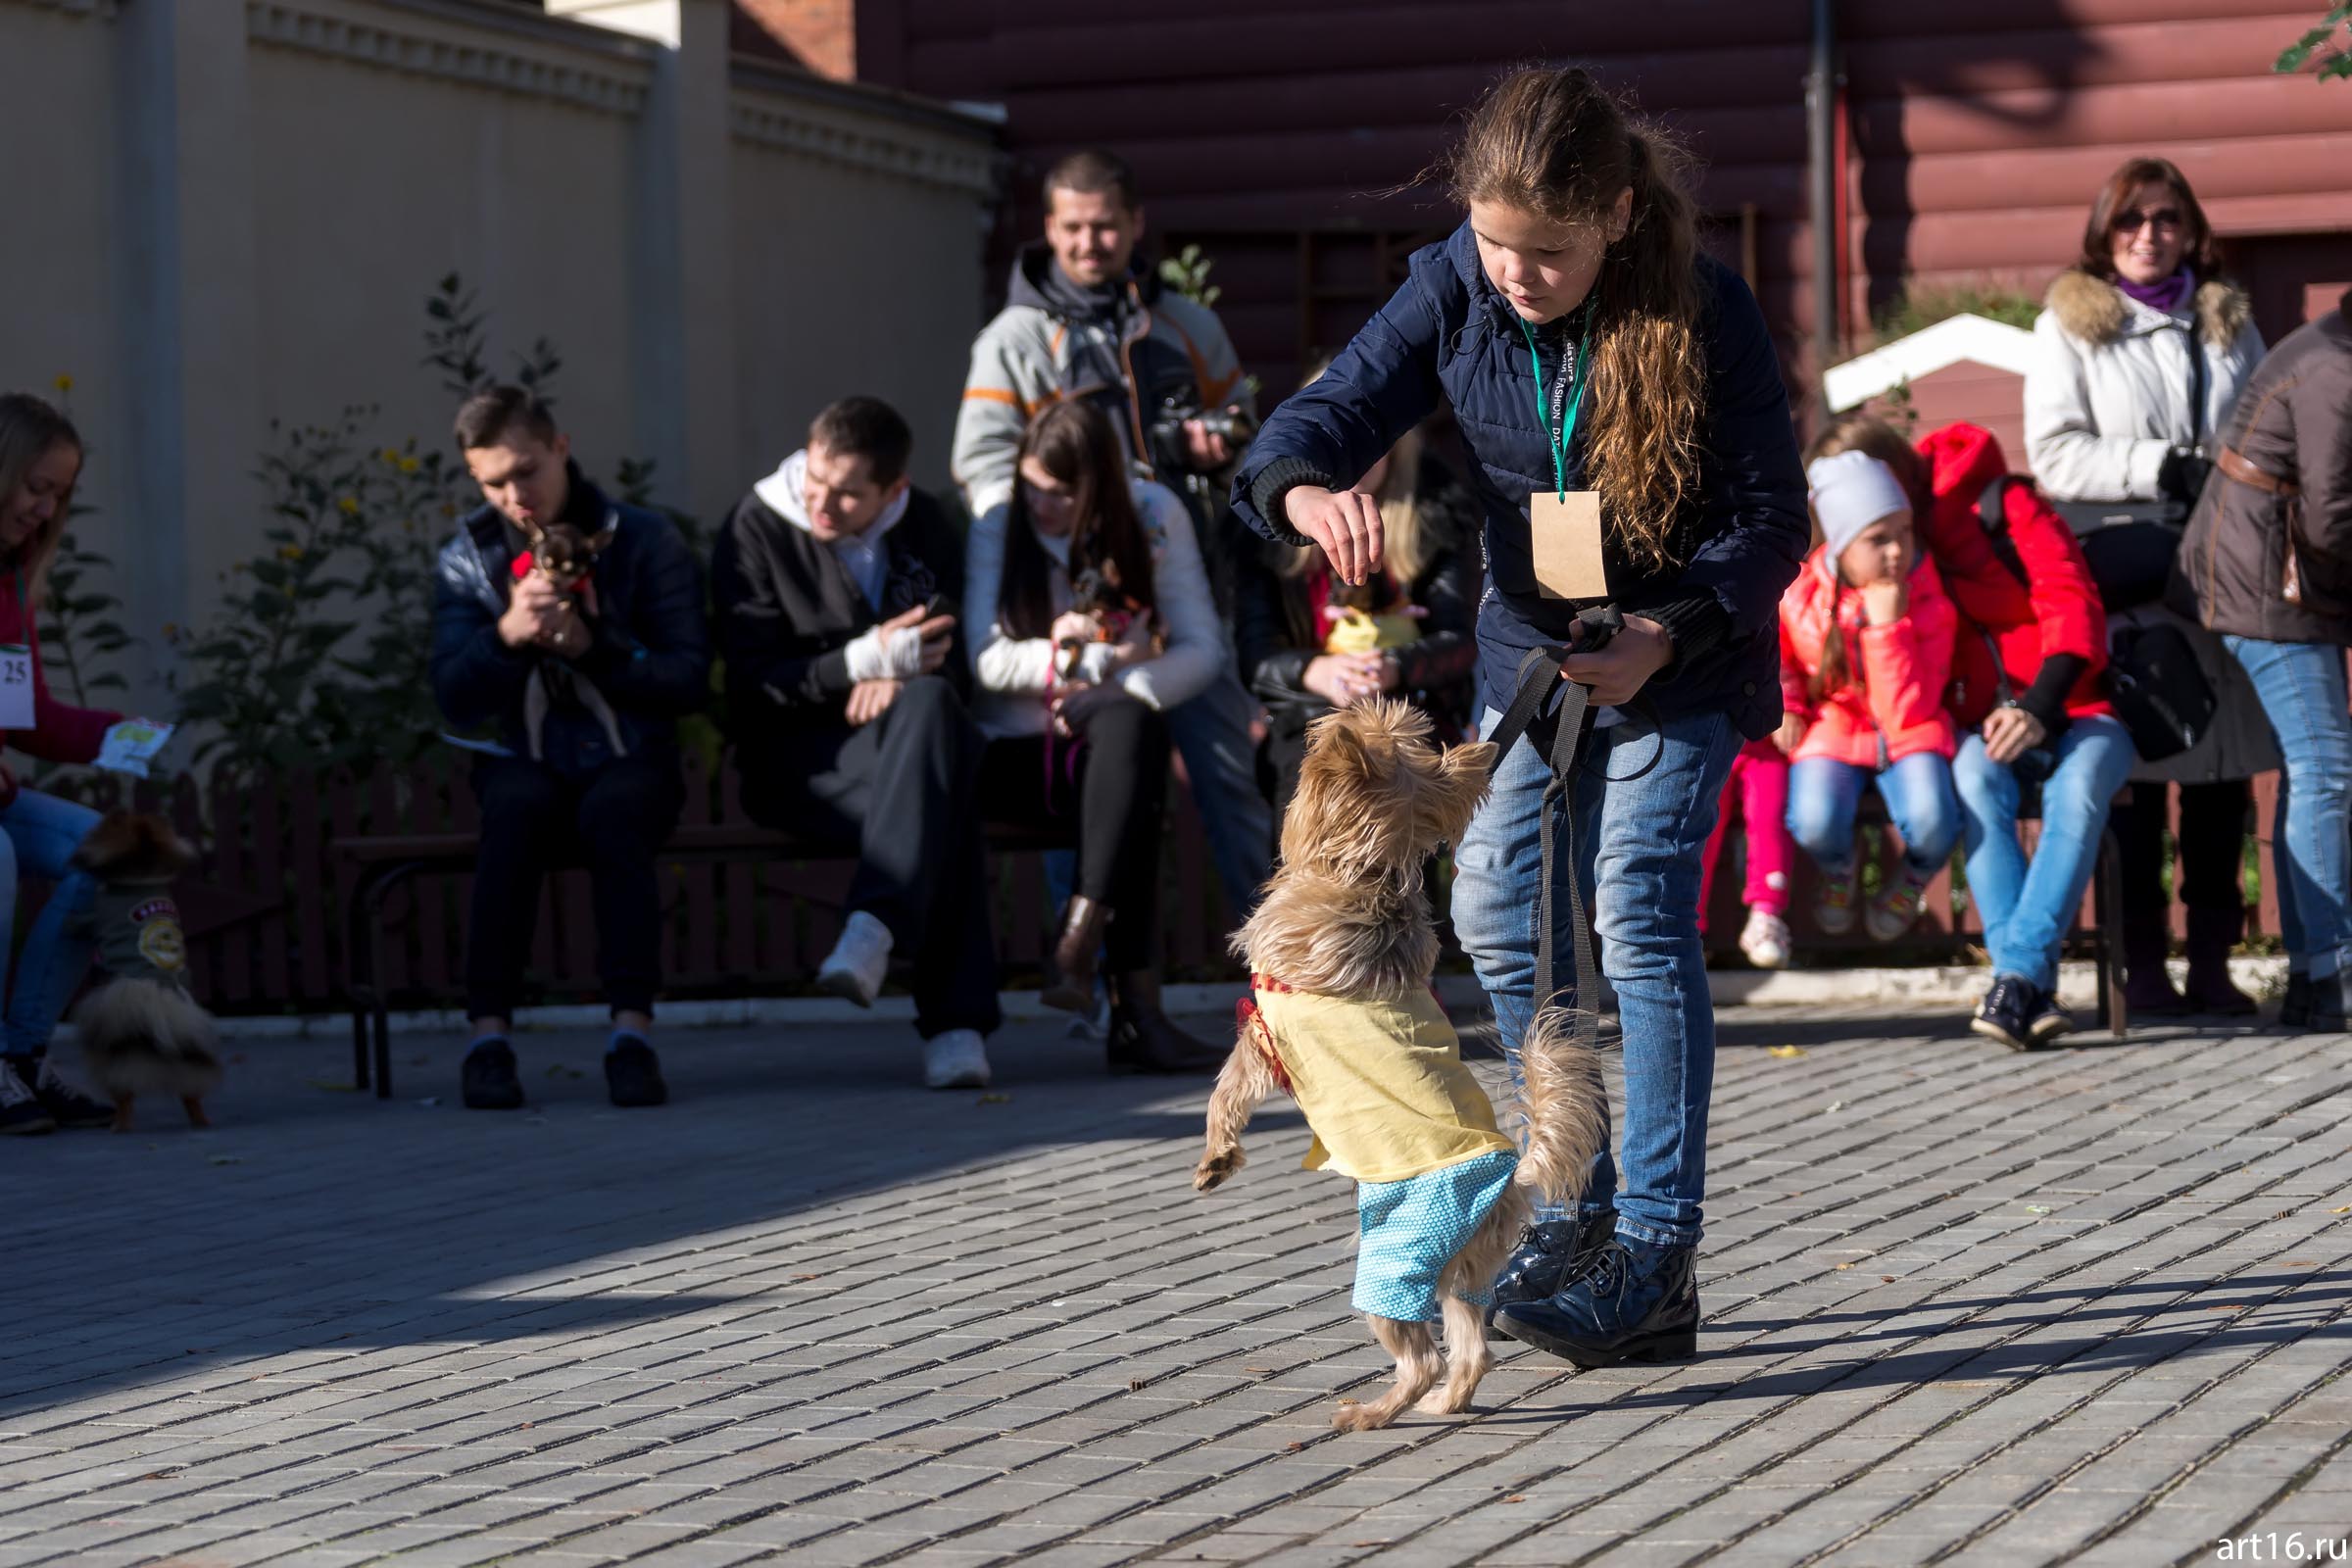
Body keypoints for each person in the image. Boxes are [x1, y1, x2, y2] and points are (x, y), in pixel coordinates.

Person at [1232, 68, 1809, 1367]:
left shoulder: (1703, 308)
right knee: (1500, 902)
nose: (1515, 274)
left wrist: (1672, 630)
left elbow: (1775, 519)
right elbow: (1323, 413)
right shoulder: (1453, 280)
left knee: (1639, 904)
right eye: (1496, 243)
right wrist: (1306, 491)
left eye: (1547, 251)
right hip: (1538, 664)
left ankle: (1656, 1254)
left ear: (1614, 215)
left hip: (1679, 659)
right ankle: (1576, 1207)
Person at [955, 148, 1272, 920]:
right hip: (1080, 602)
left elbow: (1247, 430)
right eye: (1072, 228)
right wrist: (1065, 518)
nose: (1088, 243)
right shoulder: (1014, 339)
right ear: (1049, 229)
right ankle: (1097, 989)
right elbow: (981, 466)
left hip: (1180, 581)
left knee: (1232, 780)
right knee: (1084, 790)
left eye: (1104, 227)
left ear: (1136, 225)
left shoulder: (1187, 323)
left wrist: (1219, 440)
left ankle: (1283, 976)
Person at [2025, 156, 2273, 1016]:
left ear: (2189, 228)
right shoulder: (2071, 324)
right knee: (2137, 769)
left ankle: (2211, 962)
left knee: (2219, 774)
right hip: (2127, 576)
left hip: (2220, 568)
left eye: (2166, 219)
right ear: (2105, 229)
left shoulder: (2227, 322)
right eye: (2131, 220)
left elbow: (2269, 434)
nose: (2149, 235)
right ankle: (2142, 970)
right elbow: (2055, 452)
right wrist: (2161, 463)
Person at [430, 386, 711, 1111]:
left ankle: (631, 1037)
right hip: (521, 758)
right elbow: (454, 694)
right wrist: (506, 639)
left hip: (631, 754)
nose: (514, 495)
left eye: (526, 471)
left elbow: (686, 678)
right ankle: (487, 1041)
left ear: (561, 448)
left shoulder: (643, 539)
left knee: (618, 812)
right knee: (514, 812)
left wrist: (596, 648)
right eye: (493, 482)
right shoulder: (467, 559)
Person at [1813, 416, 2132, 1047]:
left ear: (1892, 471)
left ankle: (2015, 976)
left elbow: (2072, 600)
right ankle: (2028, 991)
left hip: (2077, 708)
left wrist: (2039, 707)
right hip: (1980, 725)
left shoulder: (1998, 502)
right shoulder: (1886, 550)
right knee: (1973, 780)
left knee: (2079, 790)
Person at [711, 397, 999, 1090]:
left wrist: (900, 674)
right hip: (796, 762)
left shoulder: (925, 523)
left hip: (902, 742)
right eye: (815, 480)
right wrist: (860, 662)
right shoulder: (755, 526)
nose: (823, 502)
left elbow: (955, 655)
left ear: (893, 491)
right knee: (943, 800)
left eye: (847, 493)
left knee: (932, 708)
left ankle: (873, 924)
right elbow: (751, 683)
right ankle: (954, 1027)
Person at [966, 400, 1230, 1074]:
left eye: (1061, 492)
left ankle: (1079, 943)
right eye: (1032, 486)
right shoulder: (998, 518)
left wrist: (1121, 690)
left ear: (1100, 486)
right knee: (1134, 768)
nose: (1042, 505)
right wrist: (1101, 662)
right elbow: (987, 660)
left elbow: (1203, 649)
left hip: (1101, 751)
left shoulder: (1150, 516)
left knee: (1132, 730)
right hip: (1013, 757)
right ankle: (1135, 1012)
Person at [2175, 291, 2352, 1027]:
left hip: (2274, 577)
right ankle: (2333, 971)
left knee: (2310, 769)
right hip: (2263, 584)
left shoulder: (2333, 351)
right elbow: (2332, 515)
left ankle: (2315, 974)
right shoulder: (2335, 371)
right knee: (2324, 765)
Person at [1233, 416, 1480, 825]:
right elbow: (1256, 655)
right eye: (1332, 445)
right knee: (1307, 795)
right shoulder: (1265, 538)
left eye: (1368, 444)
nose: (1352, 461)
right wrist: (1317, 670)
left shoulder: (1433, 514)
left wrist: (1394, 667)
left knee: (1400, 787)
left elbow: (1459, 641)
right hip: (1308, 715)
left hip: (1409, 711)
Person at [0, 394, 129, 1135]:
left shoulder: (14, 582)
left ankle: (21, 1060)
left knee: (109, 857)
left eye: (59, 494)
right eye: (35, 487)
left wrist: (123, 735)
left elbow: (28, 718)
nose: (44, 510)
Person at [1778, 453, 1963, 943]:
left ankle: (1914, 876)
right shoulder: (1802, 595)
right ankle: (1839, 868)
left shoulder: (1924, 597)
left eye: (1903, 532)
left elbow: (1905, 711)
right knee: (1812, 819)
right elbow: (1780, 662)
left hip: (1912, 726)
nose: (1897, 551)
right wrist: (1788, 706)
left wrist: (1887, 628)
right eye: (1878, 539)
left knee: (1934, 822)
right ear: (1840, 542)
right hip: (1836, 725)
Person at [1695, 739, 1794, 968]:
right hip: (1706, 737)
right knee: (1699, 828)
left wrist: (1789, 708)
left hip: (1765, 741)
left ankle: (1766, 915)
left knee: (1769, 820)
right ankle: (1688, 928)